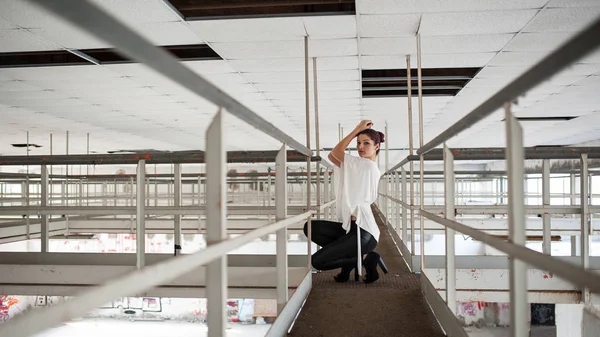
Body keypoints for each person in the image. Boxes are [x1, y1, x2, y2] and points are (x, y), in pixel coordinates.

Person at [303, 120, 388, 283]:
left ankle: (365, 259)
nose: (360, 147)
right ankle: (350, 261)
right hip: (352, 229)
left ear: (376, 147)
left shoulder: (365, 165)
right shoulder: (359, 165)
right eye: (358, 143)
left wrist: (357, 129)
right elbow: (331, 156)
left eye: (366, 143)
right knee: (311, 227)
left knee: (317, 261)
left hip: (364, 232)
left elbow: (336, 151)